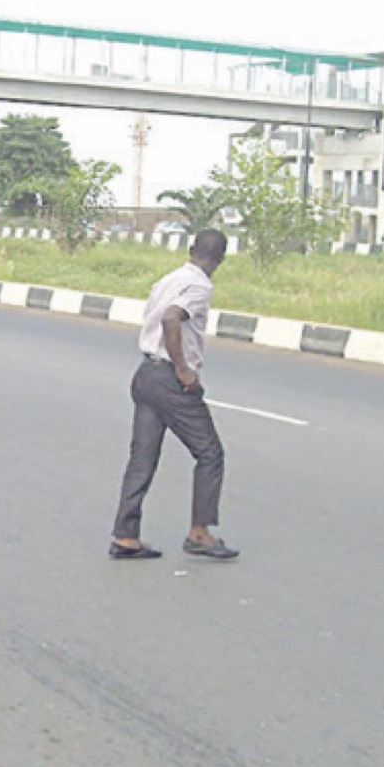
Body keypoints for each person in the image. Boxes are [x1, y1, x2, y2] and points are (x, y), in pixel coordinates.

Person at [108, 228, 238, 561]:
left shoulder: (168, 279)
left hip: (146, 374)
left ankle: (125, 535)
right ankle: (200, 532)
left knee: (142, 458)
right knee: (210, 453)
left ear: (191, 248)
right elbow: (171, 318)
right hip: (169, 379)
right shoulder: (198, 285)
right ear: (221, 258)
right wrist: (183, 368)